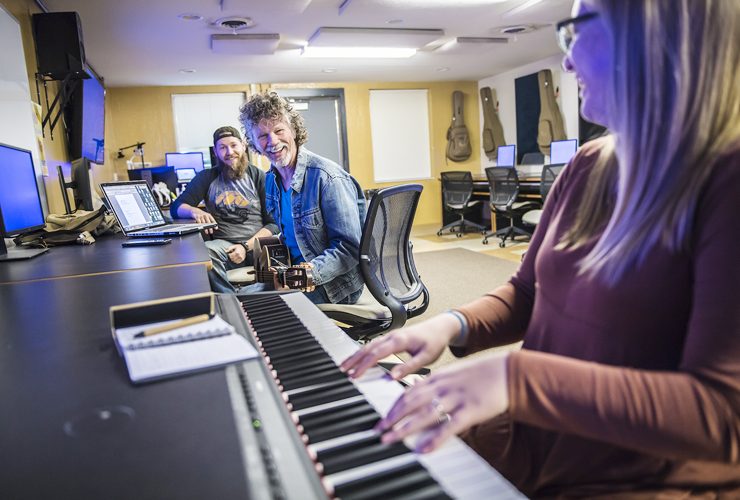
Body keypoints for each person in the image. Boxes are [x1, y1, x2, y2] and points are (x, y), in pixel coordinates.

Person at [342, 0, 740, 497]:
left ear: (651, 36)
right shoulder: (588, 164)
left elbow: (722, 414)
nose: (567, 61)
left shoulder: (726, 179)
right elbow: (529, 292)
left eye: (576, 31)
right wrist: (451, 324)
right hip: (535, 437)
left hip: (633, 476)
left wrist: (516, 378)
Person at [238, 91, 366, 305]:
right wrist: (278, 269)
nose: (273, 141)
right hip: (292, 275)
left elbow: (349, 248)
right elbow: (289, 234)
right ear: (254, 144)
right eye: (262, 136)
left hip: (334, 285)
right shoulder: (271, 179)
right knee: (237, 301)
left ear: (294, 130)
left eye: (279, 130)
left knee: (260, 310)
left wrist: (304, 275)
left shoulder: (328, 177)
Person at [171, 126, 278, 293]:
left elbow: (273, 224)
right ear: (215, 151)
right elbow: (176, 207)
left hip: (256, 245)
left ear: (243, 145)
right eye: (222, 147)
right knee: (204, 252)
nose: (229, 152)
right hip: (225, 247)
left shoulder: (258, 176)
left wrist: (245, 246)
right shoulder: (207, 177)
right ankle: (230, 300)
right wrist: (194, 211)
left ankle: (246, 296)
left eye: (234, 145)